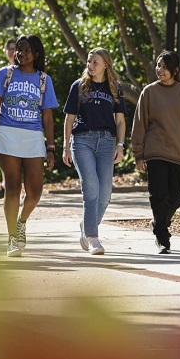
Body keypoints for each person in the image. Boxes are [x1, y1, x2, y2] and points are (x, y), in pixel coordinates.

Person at [0, 34, 58, 257]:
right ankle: (11, 239)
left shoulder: (44, 80)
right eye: (19, 49)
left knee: (35, 191)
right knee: (13, 187)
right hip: (7, 134)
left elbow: (47, 117)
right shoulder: (4, 74)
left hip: (33, 137)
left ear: (36, 54)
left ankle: (21, 222)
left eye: (26, 50)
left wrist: (51, 147)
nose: (21, 53)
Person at [131, 50, 180, 254]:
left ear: (175, 70)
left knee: (177, 196)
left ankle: (158, 223)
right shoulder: (149, 92)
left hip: (179, 153)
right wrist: (138, 154)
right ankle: (163, 237)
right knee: (159, 195)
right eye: (158, 66)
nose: (159, 70)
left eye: (164, 67)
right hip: (155, 151)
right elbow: (139, 125)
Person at [62, 48, 127, 255]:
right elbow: (69, 118)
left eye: (95, 62)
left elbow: (120, 120)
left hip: (107, 142)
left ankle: (87, 225)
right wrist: (66, 147)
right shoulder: (79, 87)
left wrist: (121, 145)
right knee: (91, 188)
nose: (90, 66)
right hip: (82, 141)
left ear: (105, 64)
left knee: (105, 193)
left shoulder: (115, 88)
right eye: (89, 62)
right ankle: (93, 238)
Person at [0, 38, 17, 200]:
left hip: (25, 125)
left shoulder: (33, 72)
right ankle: (6, 186)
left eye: (15, 49)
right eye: (10, 49)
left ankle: (14, 188)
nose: (13, 52)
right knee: (6, 157)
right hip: (5, 121)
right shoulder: (3, 72)